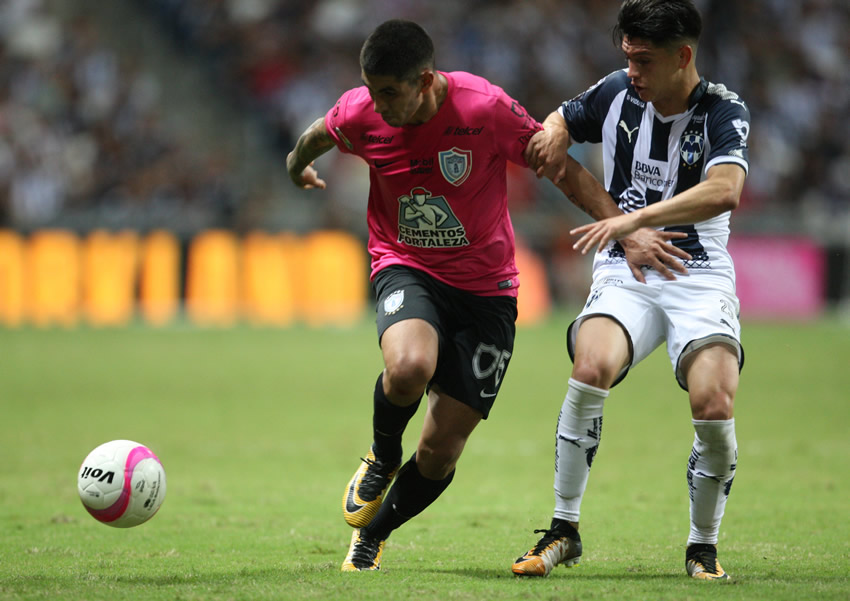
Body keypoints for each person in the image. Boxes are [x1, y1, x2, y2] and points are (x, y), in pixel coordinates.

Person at [286, 18, 688, 572]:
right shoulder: (362, 110)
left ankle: (373, 534)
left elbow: (561, 170)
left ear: (425, 81)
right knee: (409, 367)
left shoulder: (484, 109)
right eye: (371, 91)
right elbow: (319, 133)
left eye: (390, 94)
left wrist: (625, 227)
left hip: (487, 293)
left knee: (440, 449)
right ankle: (381, 455)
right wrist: (296, 165)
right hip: (407, 266)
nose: (377, 106)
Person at [511, 0, 750, 581]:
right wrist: (553, 131)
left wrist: (632, 221)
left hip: (698, 274)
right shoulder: (617, 92)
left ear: (682, 56)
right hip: (626, 271)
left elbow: (725, 191)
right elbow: (556, 129)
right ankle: (563, 529)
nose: (633, 71)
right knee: (591, 365)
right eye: (628, 57)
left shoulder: (723, 110)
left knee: (714, 403)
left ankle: (702, 545)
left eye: (644, 60)